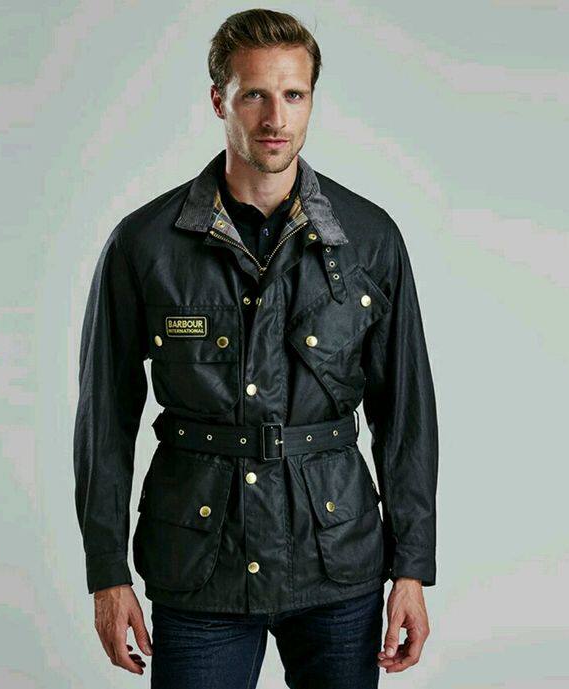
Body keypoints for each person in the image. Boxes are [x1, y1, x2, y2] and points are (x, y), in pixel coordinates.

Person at [73, 8, 438, 688]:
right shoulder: (145, 244)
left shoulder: (369, 239)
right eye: (254, 95)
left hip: (336, 562)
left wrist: (413, 567)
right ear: (220, 100)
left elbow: (406, 415)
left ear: (312, 101)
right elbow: (104, 420)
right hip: (200, 565)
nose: (276, 117)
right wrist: (107, 571)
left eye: (293, 94)